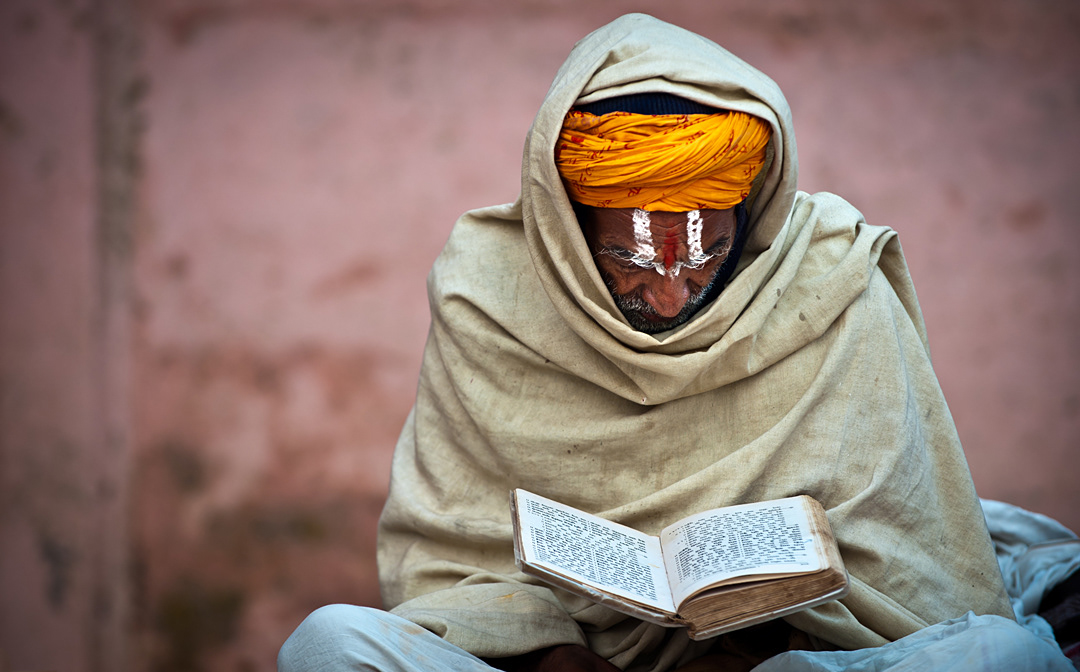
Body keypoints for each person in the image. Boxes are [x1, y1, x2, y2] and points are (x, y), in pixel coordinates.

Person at [278, 13, 1072, 672]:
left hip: (788, 662)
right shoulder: (489, 293)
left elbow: (902, 556)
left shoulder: (832, 283)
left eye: (705, 258)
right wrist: (558, 656)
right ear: (565, 229)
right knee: (329, 645)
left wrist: (755, 639)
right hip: (566, 665)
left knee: (999, 656)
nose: (666, 294)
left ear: (751, 215)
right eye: (627, 259)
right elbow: (456, 558)